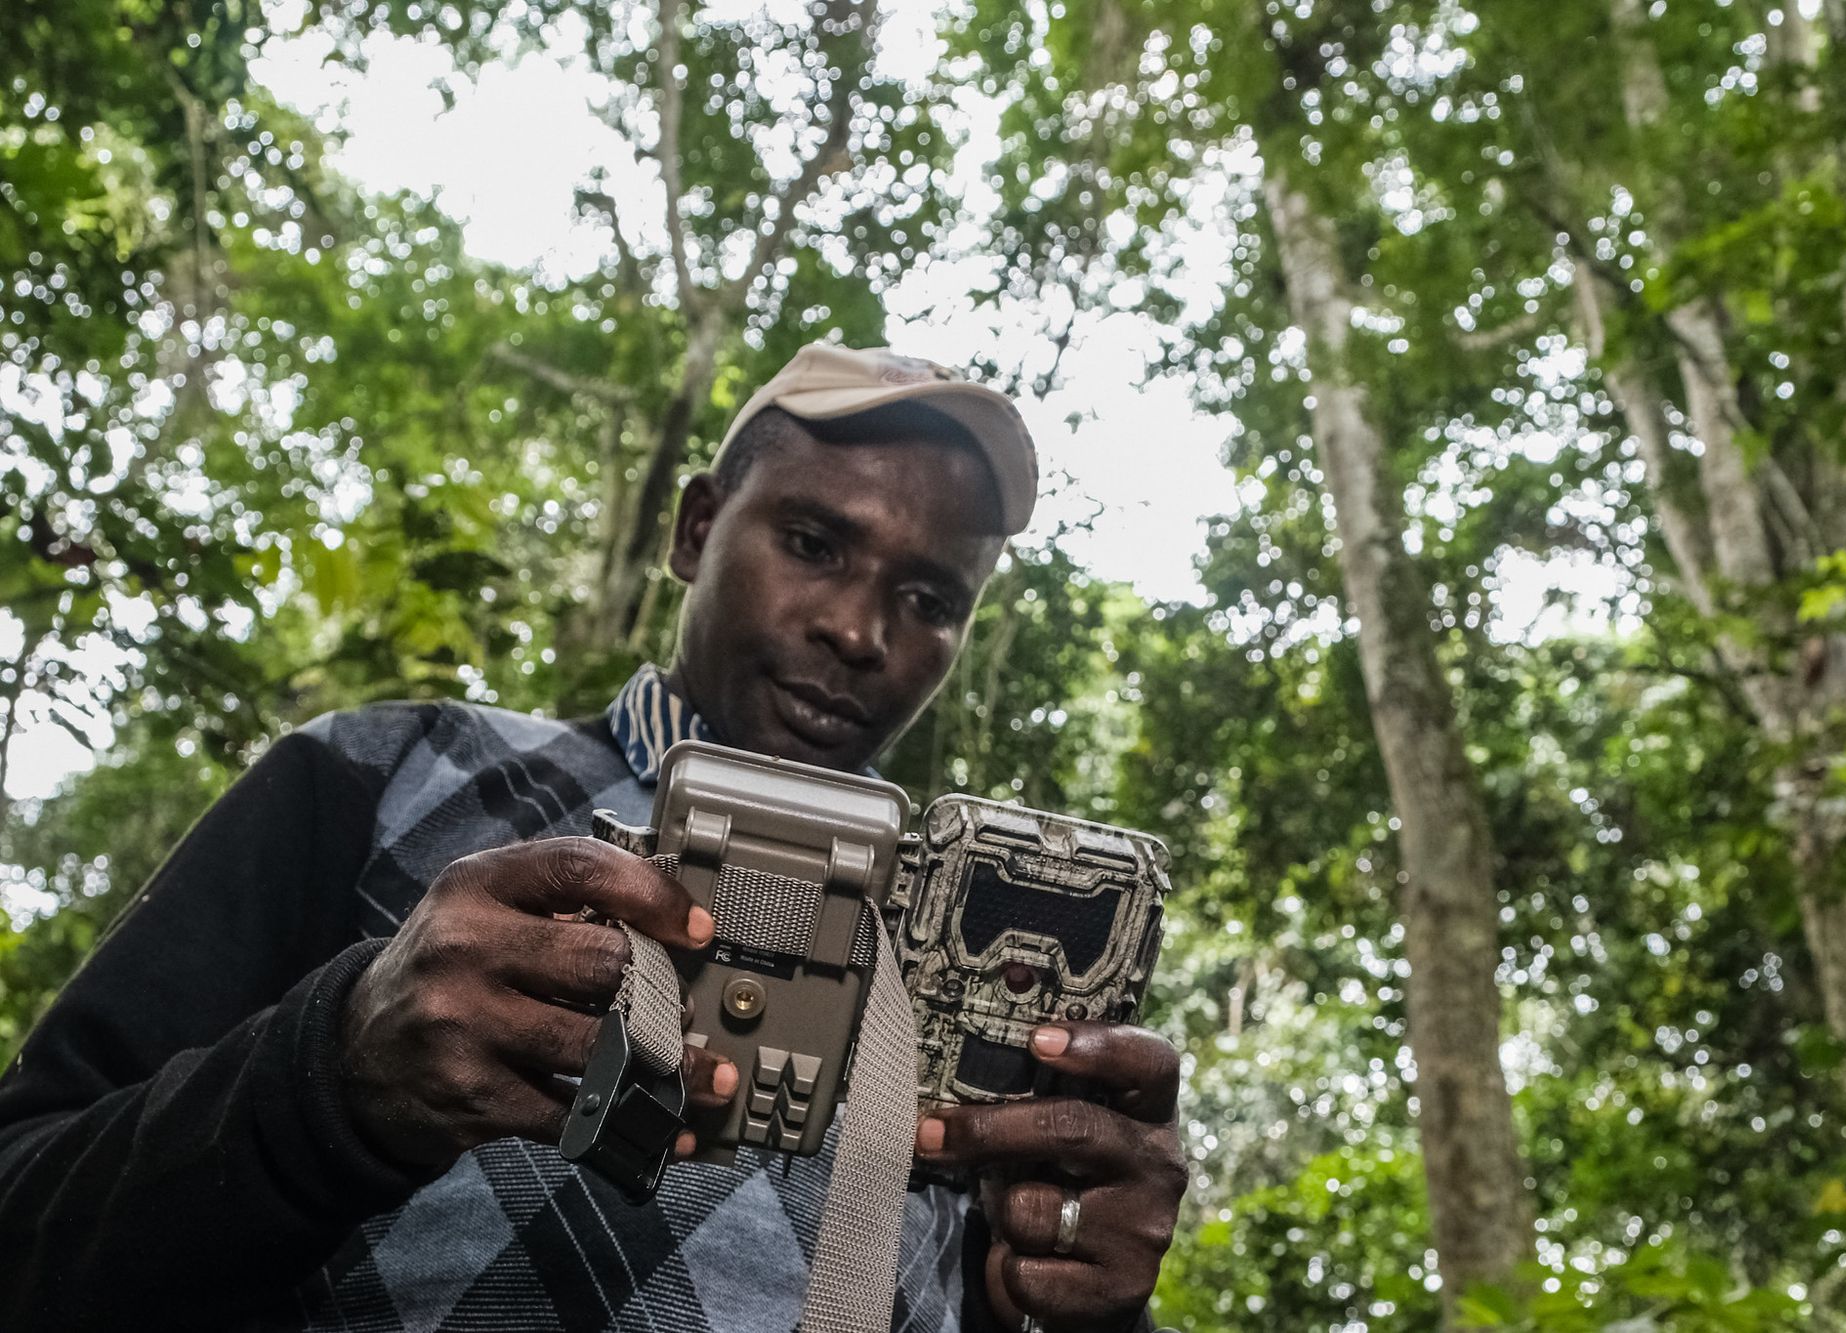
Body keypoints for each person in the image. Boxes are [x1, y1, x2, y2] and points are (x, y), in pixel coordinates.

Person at [0, 344, 1188, 1332]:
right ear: (694, 529)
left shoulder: (976, 959)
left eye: (932, 600)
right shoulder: (385, 771)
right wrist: (328, 1083)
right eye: (815, 544)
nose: (859, 629)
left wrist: (1087, 1303)